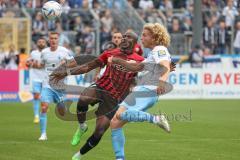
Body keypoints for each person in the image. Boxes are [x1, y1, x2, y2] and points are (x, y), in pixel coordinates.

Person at [50, 31, 145, 160]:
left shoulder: (140, 60)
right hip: (101, 87)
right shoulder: (110, 53)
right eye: (123, 36)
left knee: (99, 132)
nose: (123, 38)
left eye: (127, 37)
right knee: (83, 99)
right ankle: (82, 126)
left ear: (134, 42)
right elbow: (87, 67)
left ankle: (78, 155)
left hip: (115, 99)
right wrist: (66, 72)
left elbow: (136, 80)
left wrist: (132, 89)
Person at [108, 23, 172, 160]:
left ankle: (155, 119)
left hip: (148, 90)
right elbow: (137, 67)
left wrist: (162, 81)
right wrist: (117, 61)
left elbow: (165, 66)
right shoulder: (151, 54)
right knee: (114, 123)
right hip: (141, 90)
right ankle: (120, 158)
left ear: (154, 38)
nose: (141, 38)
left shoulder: (159, 49)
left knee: (120, 115)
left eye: (145, 35)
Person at [27, 32, 76, 140]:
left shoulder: (64, 51)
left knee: (62, 111)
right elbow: (41, 65)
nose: (53, 40)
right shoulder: (44, 52)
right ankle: (43, 134)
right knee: (44, 107)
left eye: (55, 38)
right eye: (51, 38)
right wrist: (32, 64)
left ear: (58, 40)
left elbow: (73, 63)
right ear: (49, 40)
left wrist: (64, 64)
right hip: (47, 85)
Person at [26, 37, 46, 123]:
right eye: (39, 42)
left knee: (44, 97)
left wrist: (40, 65)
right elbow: (27, 63)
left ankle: (43, 109)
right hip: (36, 78)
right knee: (36, 96)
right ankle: (36, 116)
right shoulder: (33, 53)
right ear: (37, 43)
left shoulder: (48, 53)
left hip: (45, 78)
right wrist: (32, 64)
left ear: (45, 44)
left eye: (42, 42)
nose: (41, 43)